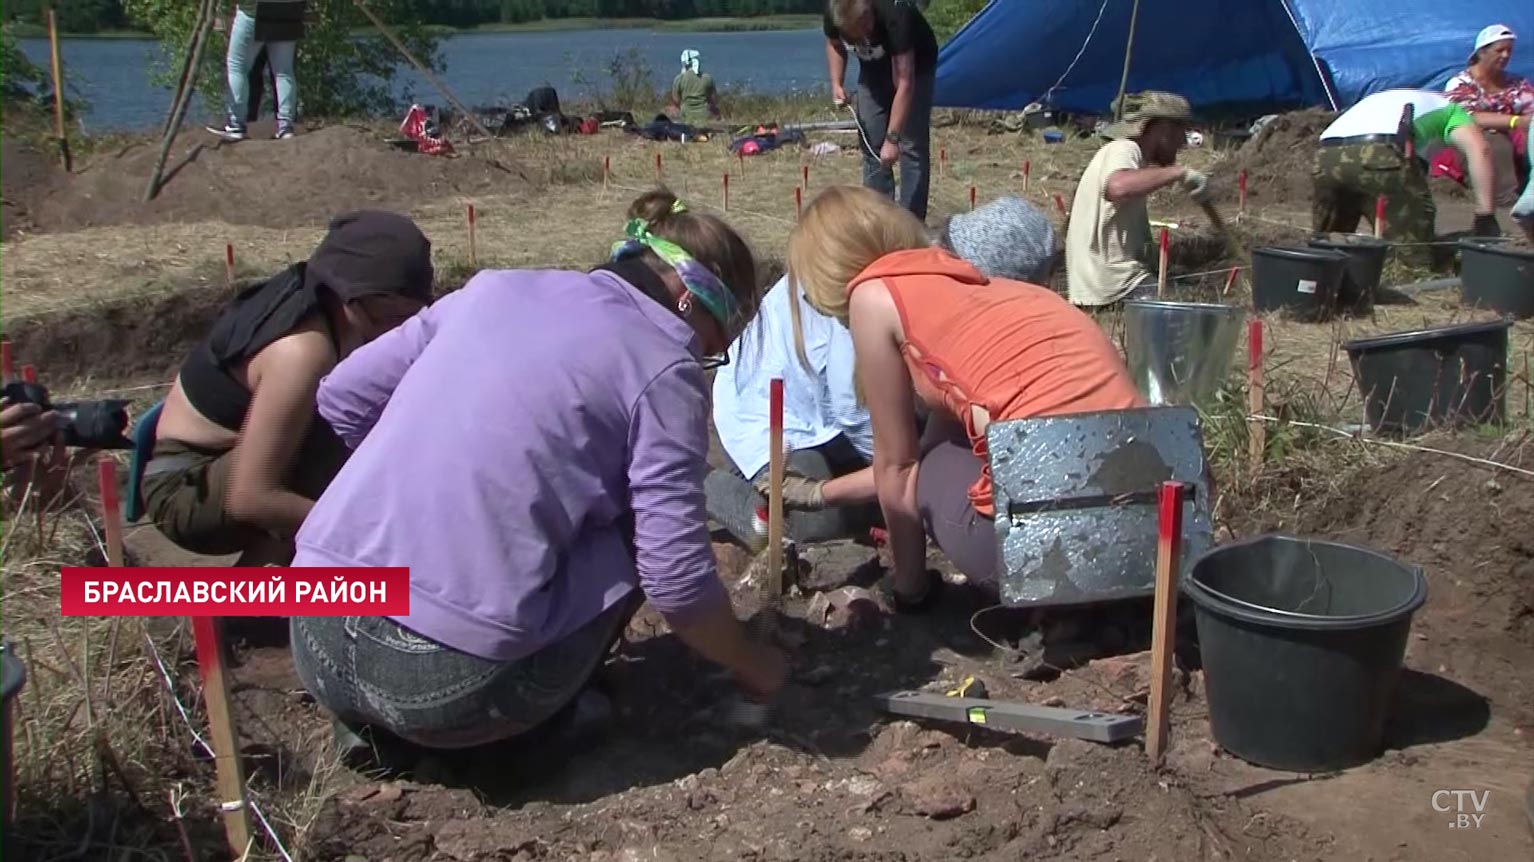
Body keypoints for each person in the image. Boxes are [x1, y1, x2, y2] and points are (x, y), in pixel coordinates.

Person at [288, 191, 788, 753]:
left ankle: (373, 721)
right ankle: (518, 734)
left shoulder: (493, 288)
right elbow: (674, 576)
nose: (702, 356)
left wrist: (414, 494)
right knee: (633, 521)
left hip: (313, 630)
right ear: (686, 301)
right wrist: (752, 662)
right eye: (712, 344)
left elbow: (342, 399)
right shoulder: (664, 367)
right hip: (445, 687)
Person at [786, 185, 1145, 608]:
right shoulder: (1009, 295)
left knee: (935, 462)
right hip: (1153, 537)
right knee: (949, 450)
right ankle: (1104, 608)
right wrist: (818, 494)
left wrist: (910, 591)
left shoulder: (874, 294)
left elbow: (900, 469)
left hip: (1049, 558)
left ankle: (1058, 607)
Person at [706, 194, 1061, 549]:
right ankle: (701, 483)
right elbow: (853, 409)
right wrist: (896, 480)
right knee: (817, 527)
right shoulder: (878, 292)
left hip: (834, 409)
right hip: (774, 411)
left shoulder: (923, 264)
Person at [142, 211, 432, 566]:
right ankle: (250, 612)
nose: (396, 326)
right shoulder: (302, 352)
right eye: (387, 313)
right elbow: (250, 497)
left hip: (224, 464)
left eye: (409, 314)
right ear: (350, 294)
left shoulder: (332, 307)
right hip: (184, 490)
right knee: (333, 447)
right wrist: (369, 536)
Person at [1314, 88, 1502, 266]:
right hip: (1381, 152)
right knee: (1411, 256)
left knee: (1329, 247)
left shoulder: (1390, 98)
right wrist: (1486, 215)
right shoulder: (1453, 110)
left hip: (1325, 156)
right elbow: (1481, 150)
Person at [1065, 92, 1209, 309]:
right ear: (1162, 130)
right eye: (1182, 131)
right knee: (1195, 304)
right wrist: (1178, 173)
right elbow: (1118, 186)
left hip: (1108, 283)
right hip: (1114, 286)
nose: (1183, 143)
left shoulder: (1131, 156)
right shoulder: (1124, 148)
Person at [825, 0, 939, 221]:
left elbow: (905, 83)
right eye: (853, 38)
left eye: (861, 34)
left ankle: (911, 224)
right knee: (871, 142)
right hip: (873, 70)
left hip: (916, 66)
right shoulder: (834, 11)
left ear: (867, 16)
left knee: (911, 145)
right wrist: (837, 83)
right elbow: (834, 44)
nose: (861, 41)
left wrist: (893, 138)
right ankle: (879, 220)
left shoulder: (895, 13)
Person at [1436, 24, 1533, 206]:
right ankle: (1504, 199)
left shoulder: (1516, 83)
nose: (1505, 56)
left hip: (1513, 136)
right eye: (1499, 50)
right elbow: (1468, 116)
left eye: (1509, 51)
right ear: (1482, 53)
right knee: (1496, 143)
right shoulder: (1462, 83)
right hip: (1469, 137)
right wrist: (1515, 121)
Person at [213, 1, 301, 140]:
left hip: (254, 11)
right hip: (290, 10)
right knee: (283, 71)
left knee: (237, 66)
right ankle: (286, 127)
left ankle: (236, 125)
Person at [667, 49, 721, 126]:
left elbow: (676, 99)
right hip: (704, 116)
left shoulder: (679, 79)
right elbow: (713, 99)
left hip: (686, 115)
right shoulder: (707, 78)